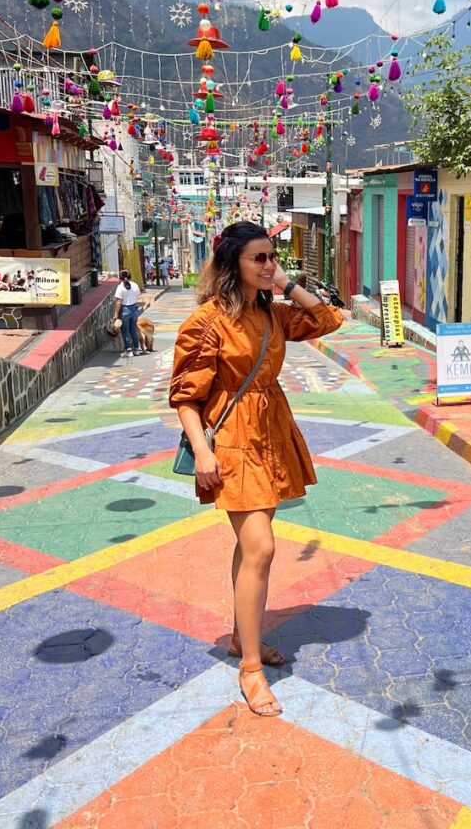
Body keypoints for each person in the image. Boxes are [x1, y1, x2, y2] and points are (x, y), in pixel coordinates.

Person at [169, 222, 344, 718]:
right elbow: (186, 396)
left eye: (272, 256)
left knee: (249, 547)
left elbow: (330, 319)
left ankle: (241, 634)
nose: (268, 265)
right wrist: (204, 453)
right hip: (230, 441)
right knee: (262, 546)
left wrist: (286, 285)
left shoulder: (272, 313)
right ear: (232, 265)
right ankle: (250, 667)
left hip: (270, 433)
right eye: (259, 259)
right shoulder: (206, 321)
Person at [113, 269, 144, 357]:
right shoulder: (135, 285)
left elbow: (119, 301)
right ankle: (137, 349)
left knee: (125, 331)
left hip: (125, 310)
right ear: (130, 276)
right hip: (134, 309)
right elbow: (137, 295)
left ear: (120, 278)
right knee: (133, 330)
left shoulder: (120, 287)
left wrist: (116, 313)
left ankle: (128, 350)